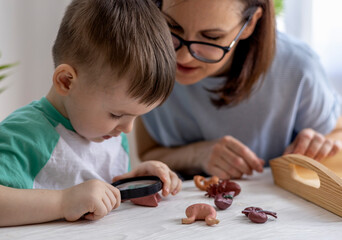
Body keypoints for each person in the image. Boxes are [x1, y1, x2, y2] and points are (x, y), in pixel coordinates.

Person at [0, 0, 182, 227]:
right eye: (117, 114)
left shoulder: (110, 137)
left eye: (137, 116)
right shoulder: (24, 136)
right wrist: (62, 202)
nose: (127, 129)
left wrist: (132, 184)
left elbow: (94, 200)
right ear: (66, 82)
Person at [136, 0, 342, 180]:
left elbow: (336, 135)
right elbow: (147, 153)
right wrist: (198, 155)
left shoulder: (297, 68)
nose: (183, 58)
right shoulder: (144, 61)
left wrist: (321, 145)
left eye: (211, 37)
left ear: (251, 22)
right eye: (172, 26)